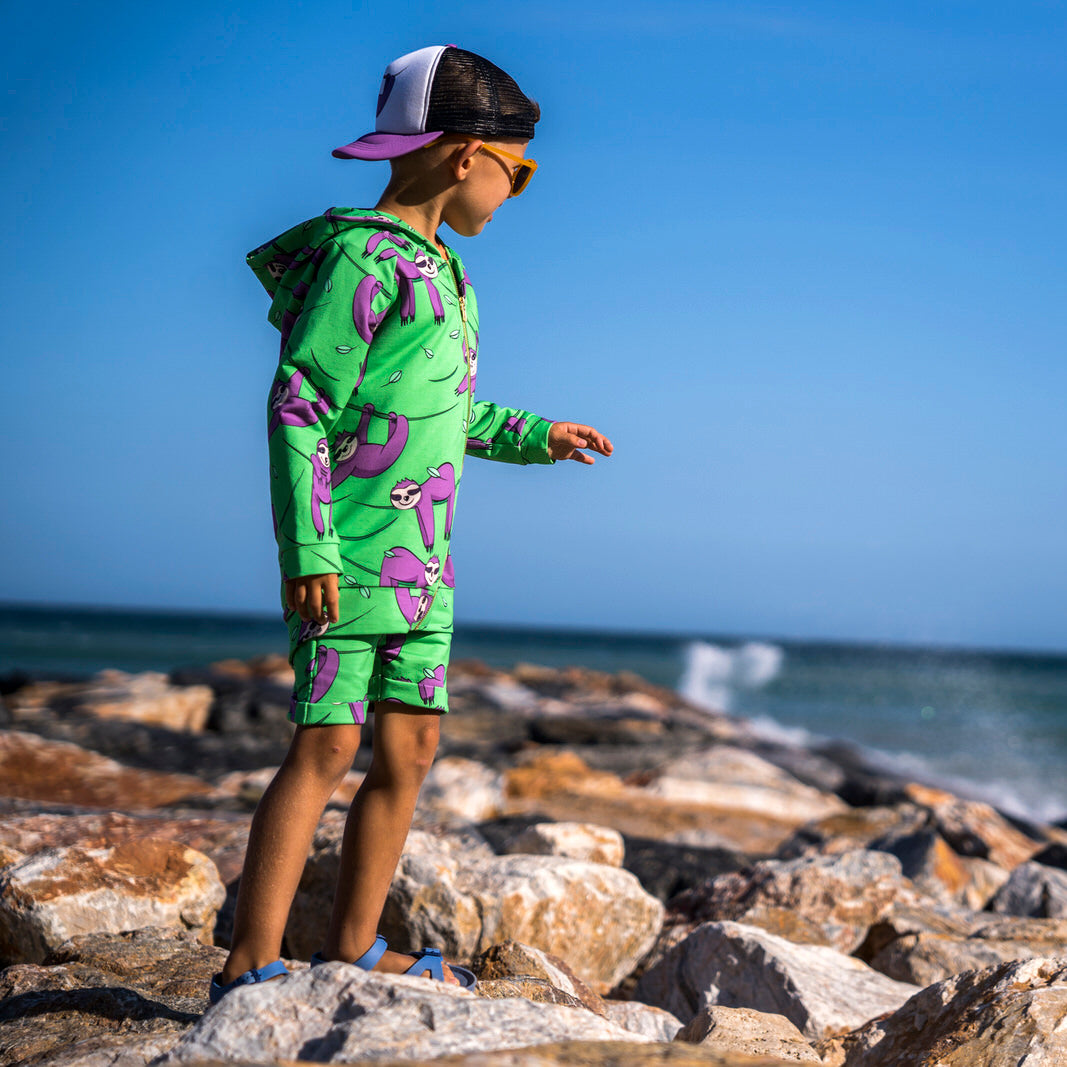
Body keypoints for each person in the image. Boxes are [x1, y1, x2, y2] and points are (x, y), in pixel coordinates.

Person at [211, 44, 613, 1003]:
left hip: (423, 562)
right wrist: (307, 547)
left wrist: (535, 433)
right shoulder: (364, 257)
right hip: (345, 552)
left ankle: (352, 944)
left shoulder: (449, 275)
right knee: (326, 745)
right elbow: (301, 401)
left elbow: (444, 413)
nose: (517, 194)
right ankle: (248, 959)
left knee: (412, 747)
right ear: (466, 154)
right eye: (520, 173)